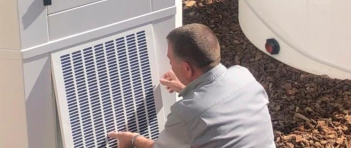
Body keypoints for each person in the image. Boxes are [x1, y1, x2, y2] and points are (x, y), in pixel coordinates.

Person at [107, 23, 277, 148]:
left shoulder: (186, 114)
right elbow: (220, 110)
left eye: (170, 60)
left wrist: (132, 139)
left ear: (187, 68)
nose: (170, 65)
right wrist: (187, 89)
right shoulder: (244, 76)